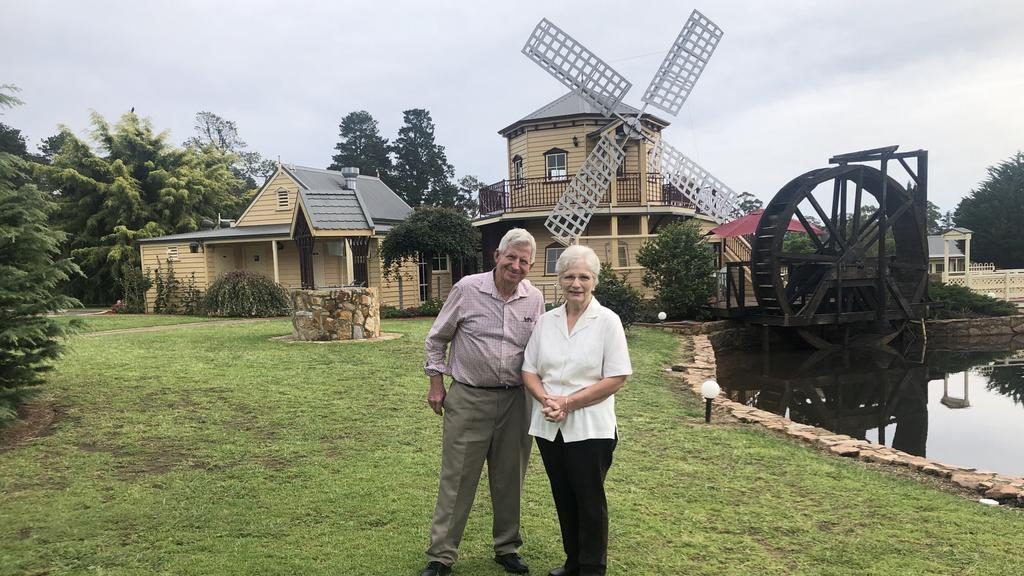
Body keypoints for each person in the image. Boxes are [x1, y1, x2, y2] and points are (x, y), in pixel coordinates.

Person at [420, 228, 546, 576]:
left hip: (516, 402)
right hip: (469, 398)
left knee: (510, 478)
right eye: (511, 257)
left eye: (524, 261)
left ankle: (507, 548)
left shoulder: (534, 299)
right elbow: (436, 339)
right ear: (497, 256)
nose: (516, 265)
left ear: (531, 266)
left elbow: (540, 351)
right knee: (457, 478)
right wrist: (436, 383)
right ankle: (441, 555)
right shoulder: (467, 289)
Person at [521, 245, 632, 576]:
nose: (576, 283)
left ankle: (592, 568)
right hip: (549, 426)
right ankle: (573, 562)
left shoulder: (607, 322)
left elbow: (616, 376)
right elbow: (529, 370)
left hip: (591, 428)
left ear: (595, 281)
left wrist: (567, 403)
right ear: (559, 280)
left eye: (584, 276)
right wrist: (546, 400)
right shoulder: (546, 322)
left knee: (589, 500)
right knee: (564, 498)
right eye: (569, 276)